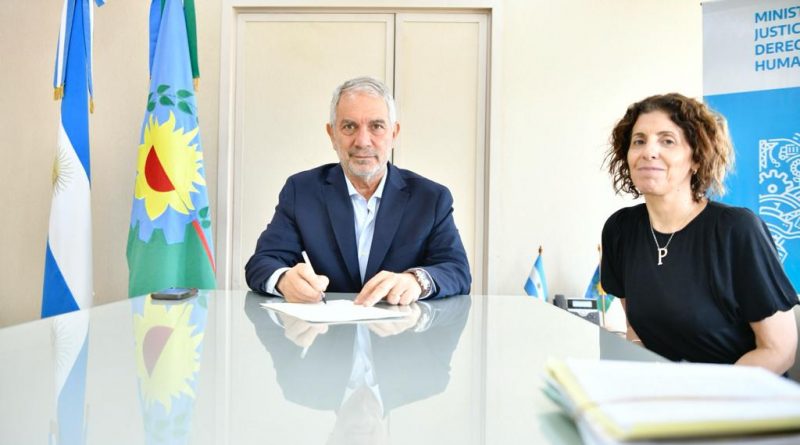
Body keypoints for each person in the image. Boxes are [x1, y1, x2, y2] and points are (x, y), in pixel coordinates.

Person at [601, 93, 798, 375]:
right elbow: (637, 328)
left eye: (667, 141)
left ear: (696, 158)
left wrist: (702, 394)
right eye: (639, 141)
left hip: (744, 393)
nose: (648, 151)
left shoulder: (737, 229)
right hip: (670, 392)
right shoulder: (620, 230)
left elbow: (780, 350)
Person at [245, 76, 471, 306]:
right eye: (349, 126)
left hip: (404, 326)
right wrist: (284, 279)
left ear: (394, 134)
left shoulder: (431, 198)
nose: (362, 141)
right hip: (327, 327)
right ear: (332, 135)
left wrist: (416, 281)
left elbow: (457, 270)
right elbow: (263, 262)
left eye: (376, 126)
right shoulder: (302, 191)